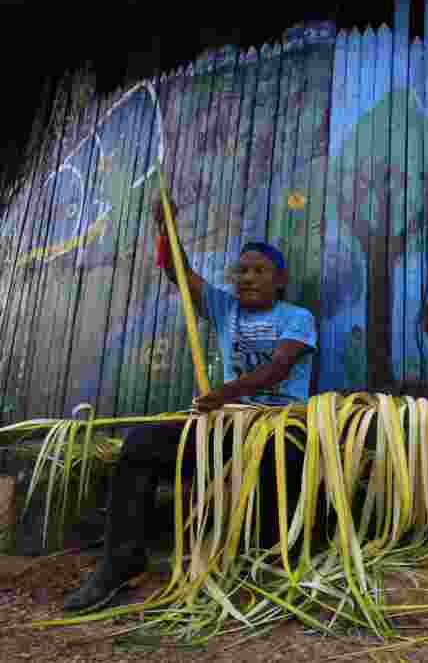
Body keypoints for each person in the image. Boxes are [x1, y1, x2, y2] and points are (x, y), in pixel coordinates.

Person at [63, 196, 317, 612]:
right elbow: (178, 273)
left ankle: (273, 568)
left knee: (284, 459)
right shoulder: (225, 308)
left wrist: (226, 393)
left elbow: (278, 367)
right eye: (242, 271)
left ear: (280, 280)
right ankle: (119, 564)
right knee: (142, 445)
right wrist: (167, 228)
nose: (247, 278)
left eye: (259, 271)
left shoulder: (297, 316)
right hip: (226, 424)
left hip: (277, 424)